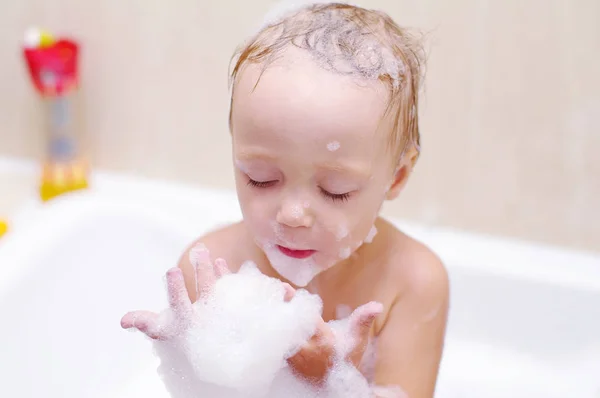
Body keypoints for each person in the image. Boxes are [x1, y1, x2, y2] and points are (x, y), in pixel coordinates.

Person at [122, 2, 449, 397]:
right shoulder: (206, 270)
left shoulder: (411, 283)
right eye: (261, 179)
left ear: (396, 176)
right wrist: (185, 363)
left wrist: (330, 383)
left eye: (335, 190)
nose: (292, 215)